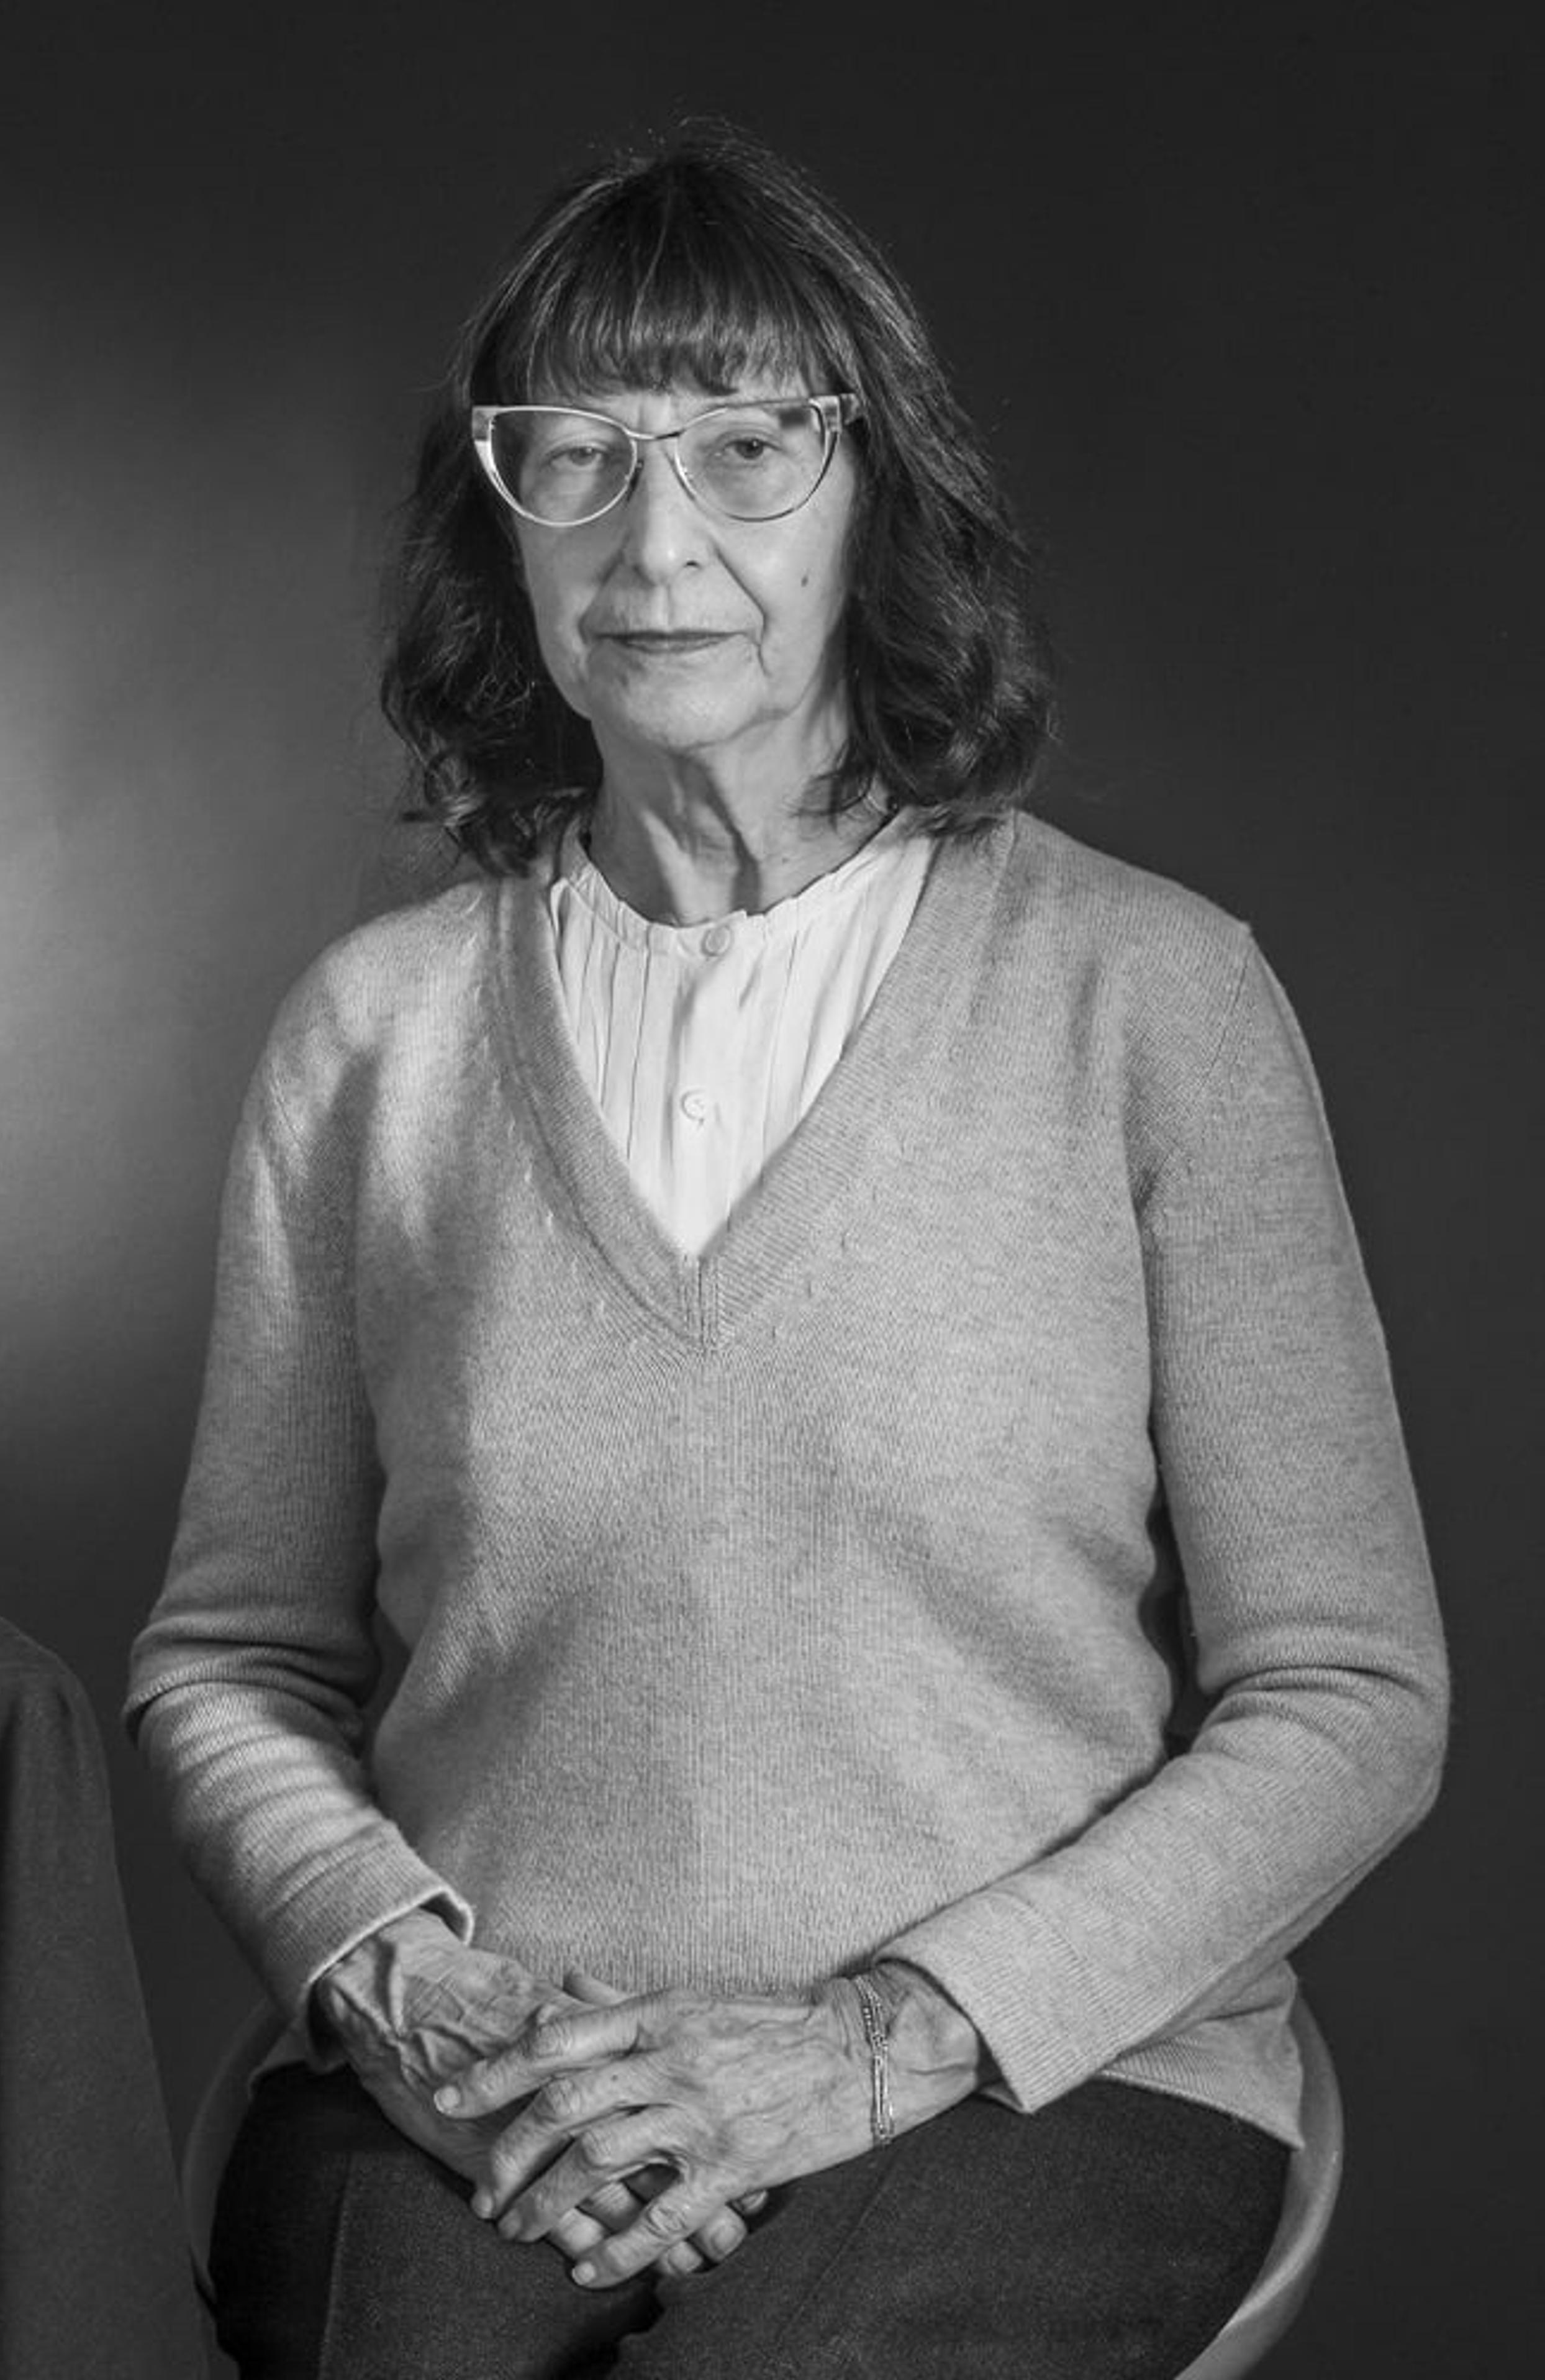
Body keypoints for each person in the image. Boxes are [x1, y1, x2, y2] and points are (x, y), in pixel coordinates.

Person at [123, 122, 1448, 2379]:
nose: (657, 544)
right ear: (500, 523)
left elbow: (1352, 1699)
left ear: (876, 502)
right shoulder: (374, 1039)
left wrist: (884, 2036)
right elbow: (230, 1656)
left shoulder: (1151, 998)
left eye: (749, 449)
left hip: (1035, 2073)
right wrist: (394, 1977)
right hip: (495, 2072)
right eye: (578, 457)